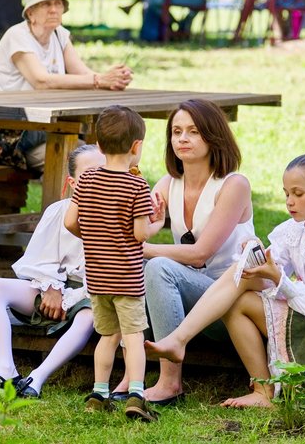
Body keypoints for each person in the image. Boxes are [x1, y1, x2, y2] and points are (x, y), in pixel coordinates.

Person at [146, 152, 305, 408]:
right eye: (287, 193)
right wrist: (253, 250)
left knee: (240, 290)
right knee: (242, 277)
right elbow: (273, 262)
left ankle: (181, 341)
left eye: (298, 194)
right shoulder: (294, 229)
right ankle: (260, 389)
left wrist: (276, 277)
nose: (290, 201)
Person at [122, 99, 256, 406]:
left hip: (232, 309)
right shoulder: (170, 183)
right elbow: (138, 229)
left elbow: (200, 253)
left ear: (214, 136)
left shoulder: (234, 185)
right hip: (190, 304)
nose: (183, 138)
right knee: (131, 270)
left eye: (194, 132)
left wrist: (145, 248)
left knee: (157, 267)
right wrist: (145, 223)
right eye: (177, 131)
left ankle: (169, 383)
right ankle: (130, 373)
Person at [0, 144, 106, 397]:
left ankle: (37, 377)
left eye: (103, 172)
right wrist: (51, 286)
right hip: (54, 286)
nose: (98, 179)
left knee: (89, 316)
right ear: (73, 182)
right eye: (89, 174)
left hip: (92, 292)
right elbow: (39, 257)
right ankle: (6, 370)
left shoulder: (116, 214)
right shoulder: (58, 211)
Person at [0, 0, 132, 172]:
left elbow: (83, 73)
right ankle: (67, 203)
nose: (54, 9)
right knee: (85, 161)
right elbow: (41, 81)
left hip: (43, 130)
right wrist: (98, 80)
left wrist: (112, 79)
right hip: (8, 137)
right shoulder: (17, 36)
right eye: (46, 4)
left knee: (105, 158)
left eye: (58, 3)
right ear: (30, 13)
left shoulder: (59, 34)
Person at [64, 106, 158, 421]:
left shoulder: (87, 179)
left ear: (100, 147)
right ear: (136, 147)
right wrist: (155, 220)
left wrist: (92, 234)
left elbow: (70, 221)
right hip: (128, 278)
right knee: (132, 339)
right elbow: (140, 234)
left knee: (107, 336)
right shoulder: (137, 186)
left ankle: (99, 392)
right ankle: (136, 393)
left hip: (97, 277)